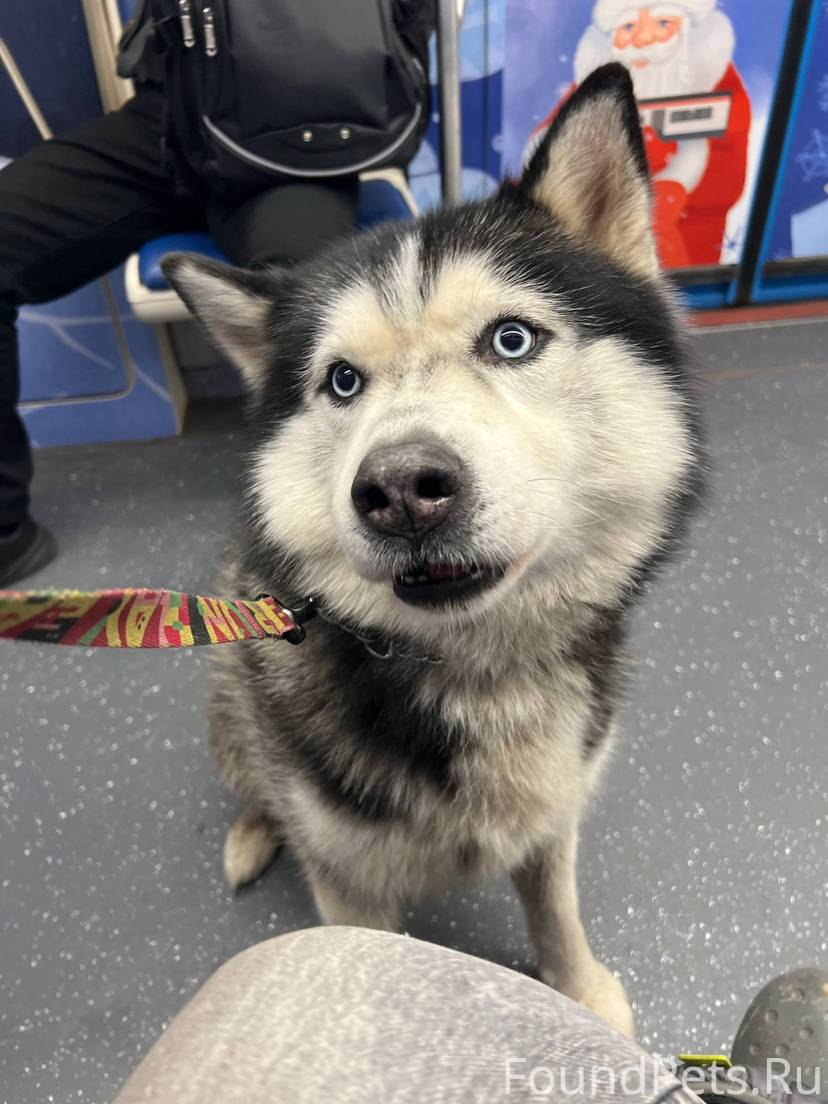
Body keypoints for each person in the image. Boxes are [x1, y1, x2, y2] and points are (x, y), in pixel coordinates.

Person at [0, 0, 433, 586]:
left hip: (292, 136)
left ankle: (366, 543)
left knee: (313, 318)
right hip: (169, 121)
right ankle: (5, 536)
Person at [528, 1, 750, 269]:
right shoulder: (590, 94)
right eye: (629, 27)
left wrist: (677, 182)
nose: (643, 38)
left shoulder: (718, 84)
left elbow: (727, 174)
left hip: (687, 233)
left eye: (663, 23)